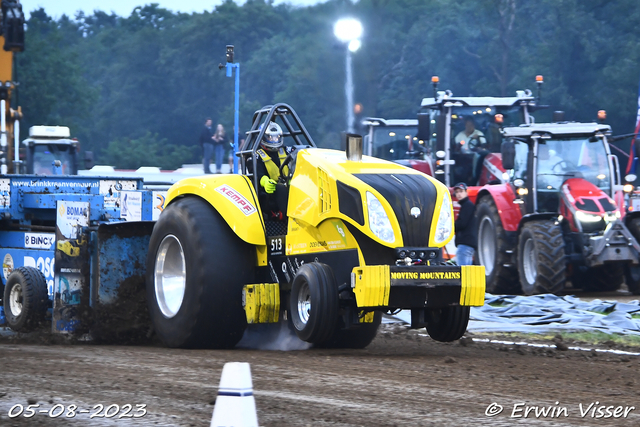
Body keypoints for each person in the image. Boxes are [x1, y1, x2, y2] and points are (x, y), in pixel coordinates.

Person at [254, 121, 293, 220]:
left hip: (290, 187)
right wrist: (265, 181)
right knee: (280, 189)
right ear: (263, 137)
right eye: (270, 137)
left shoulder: (286, 150)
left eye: (277, 137)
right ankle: (289, 221)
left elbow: (299, 154)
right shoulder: (256, 155)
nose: (274, 140)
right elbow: (258, 173)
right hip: (269, 194)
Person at [453, 182, 477, 266]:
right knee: (467, 273)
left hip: (465, 244)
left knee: (462, 273)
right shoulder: (468, 205)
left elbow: (462, 223)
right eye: (457, 192)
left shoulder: (467, 206)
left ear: (466, 192)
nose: (459, 194)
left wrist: (451, 227)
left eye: (461, 191)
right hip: (469, 244)